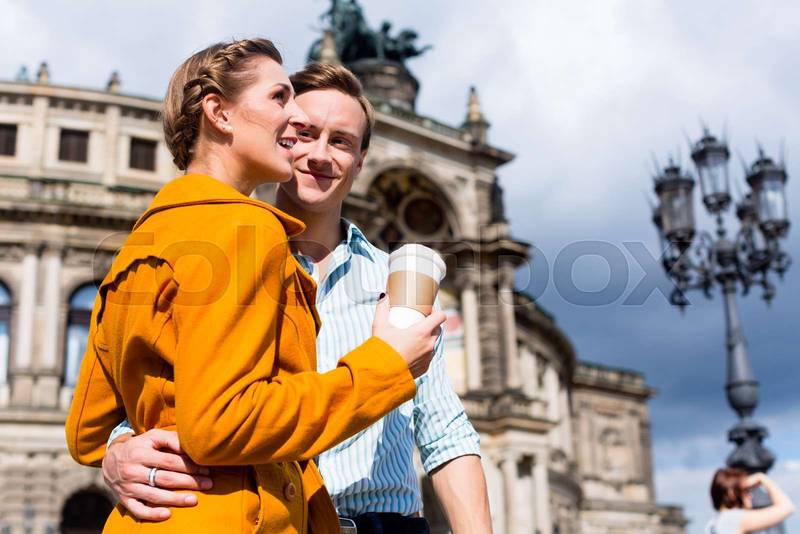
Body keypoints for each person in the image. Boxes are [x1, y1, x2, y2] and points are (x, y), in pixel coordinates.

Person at [65, 38, 445, 533]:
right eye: (279, 98)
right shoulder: (248, 227)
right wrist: (385, 365)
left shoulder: (140, 242)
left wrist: (121, 447)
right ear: (219, 113)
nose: (294, 118)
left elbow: (86, 428)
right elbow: (224, 422)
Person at [706, 468, 795, 533]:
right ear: (732, 493)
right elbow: (787, 507)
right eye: (746, 490)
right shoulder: (732, 518)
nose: (750, 495)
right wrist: (761, 477)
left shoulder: (713, 524)